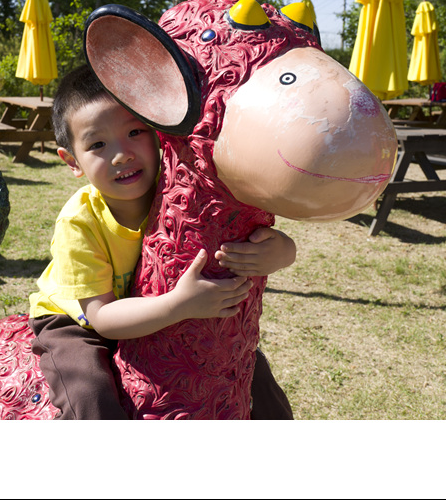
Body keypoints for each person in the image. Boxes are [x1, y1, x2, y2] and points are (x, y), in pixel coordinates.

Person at [28, 65, 296, 419]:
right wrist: (177, 305)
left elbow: (246, 235)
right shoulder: (79, 222)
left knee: (252, 374)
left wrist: (281, 251)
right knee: (89, 393)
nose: (122, 154)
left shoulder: (177, 192)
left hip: (155, 307)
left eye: (134, 132)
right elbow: (102, 317)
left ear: (158, 134)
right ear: (72, 161)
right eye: (97, 145)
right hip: (78, 320)